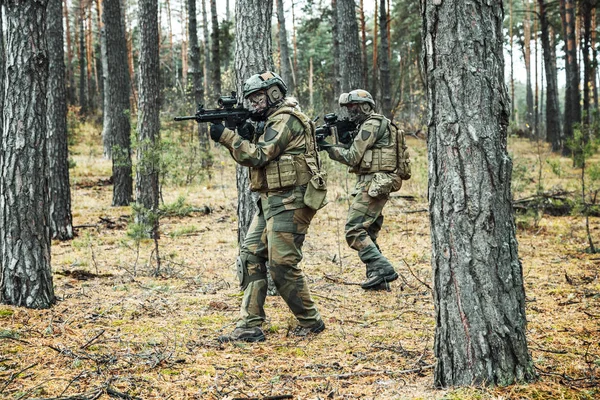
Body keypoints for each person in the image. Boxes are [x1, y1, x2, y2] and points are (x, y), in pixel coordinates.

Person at [209, 71, 326, 342]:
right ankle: (250, 325)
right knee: (250, 256)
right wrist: (245, 132)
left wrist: (227, 136)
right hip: (272, 201)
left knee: (282, 264)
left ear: (274, 93)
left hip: (291, 201)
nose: (254, 105)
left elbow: (258, 155)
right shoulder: (272, 119)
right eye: (250, 100)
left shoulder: (285, 119)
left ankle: (311, 322)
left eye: (258, 98)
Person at [319, 89, 410, 291]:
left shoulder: (372, 124)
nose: (350, 111)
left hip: (374, 183)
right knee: (368, 230)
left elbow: (352, 157)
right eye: (348, 107)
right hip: (373, 182)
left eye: (354, 107)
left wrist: (328, 148)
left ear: (366, 106)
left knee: (354, 230)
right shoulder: (369, 125)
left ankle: (383, 269)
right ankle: (377, 278)